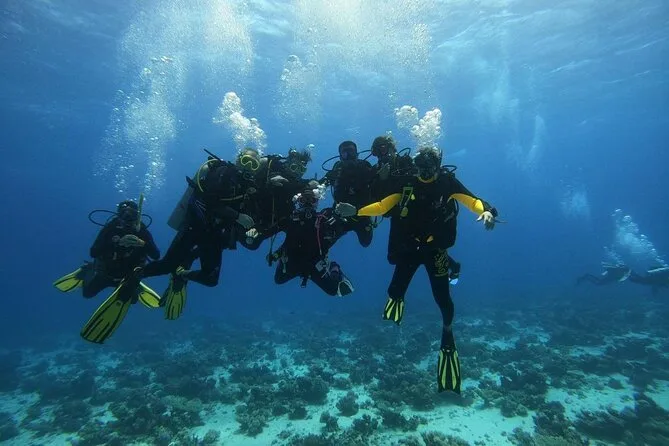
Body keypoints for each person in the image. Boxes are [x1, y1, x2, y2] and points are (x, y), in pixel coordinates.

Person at [356, 146, 498, 394]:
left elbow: (471, 200)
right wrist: (356, 211)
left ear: (438, 167)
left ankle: (447, 332)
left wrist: (486, 210)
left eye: (430, 168)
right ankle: (398, 303)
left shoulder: (447, 182)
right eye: (421, 167)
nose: (425, 173)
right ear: (416, 166)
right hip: (410, 249)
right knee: (395, 291)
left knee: (442, 298)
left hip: (436, 251)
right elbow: (381, 206)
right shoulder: (407, 182)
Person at [141, 154, 256, 320]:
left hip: (214, 235)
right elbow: (209, 202)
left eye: (253, 164)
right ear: (238, 159)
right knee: (166, 266)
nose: (248, 167)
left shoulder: (247, 187)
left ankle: (181, 274)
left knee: (211, 279)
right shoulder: (223, 172)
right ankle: (134, 275)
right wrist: (237, 216)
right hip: (194, 228)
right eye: (246, 161)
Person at [53, 198, 163, 344]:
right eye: (124, 214)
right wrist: (114, 243)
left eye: (132, 215)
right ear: (118, 216)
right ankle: (87, 271)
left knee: (132, 300)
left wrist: (144, 244)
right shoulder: (110, 229)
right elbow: (93, 252)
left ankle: (134, 284)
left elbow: (156, 256)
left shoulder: (142, 231)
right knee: (87, 294)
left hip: (127, 276)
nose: (128, 219)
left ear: (138, 216)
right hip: (106, 273)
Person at [266, 181, 355, 297]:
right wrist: (276, 255)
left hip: (314, 264)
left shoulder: (323, 218)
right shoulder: (291, 220)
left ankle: (334, 268)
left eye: (312, 200)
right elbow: (287, 243)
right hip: (293, 262)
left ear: (316, 202)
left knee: (333, 290)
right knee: (278, 280)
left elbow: (340, 222)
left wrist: (345, 213)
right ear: (298, 202)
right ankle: (283, 262)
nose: (308, 204)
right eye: (303, 200)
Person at [321, 141, 377, 247]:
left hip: (361, 214)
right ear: (340, 157)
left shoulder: (364, 167)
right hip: (340, 214)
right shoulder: (337, 170)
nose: (348, 155)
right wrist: (314, 184)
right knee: (325, 241)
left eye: (351, 151)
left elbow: (376, 189)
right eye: (344, 152)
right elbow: (321, 184)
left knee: (366, 242)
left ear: (357, 153)